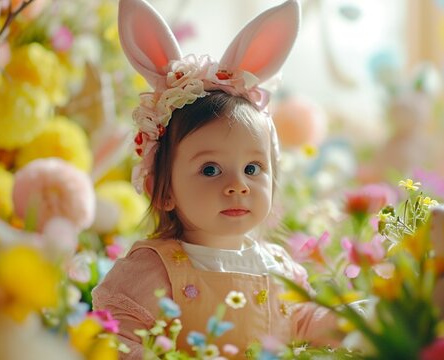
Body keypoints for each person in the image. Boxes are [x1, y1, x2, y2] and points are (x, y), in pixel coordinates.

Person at [92, 0, 337, 357]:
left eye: (253, 169)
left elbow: (302, 321)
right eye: (210, 169)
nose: (238, 185)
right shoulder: (152, 270)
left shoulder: (277, 266)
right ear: (161, 190)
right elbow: (117, 335)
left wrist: (348, 321)